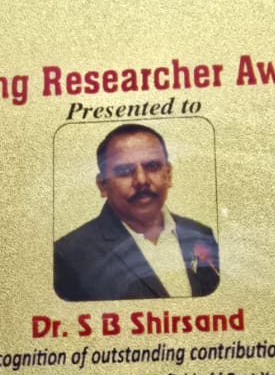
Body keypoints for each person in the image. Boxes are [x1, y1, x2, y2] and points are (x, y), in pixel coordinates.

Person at [53, 126, 221, 302]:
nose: (141, 180)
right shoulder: (69, 256)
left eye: (152, 166)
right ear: (103, 185)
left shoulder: (200, 234)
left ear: (168, 175)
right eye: (124, 171)